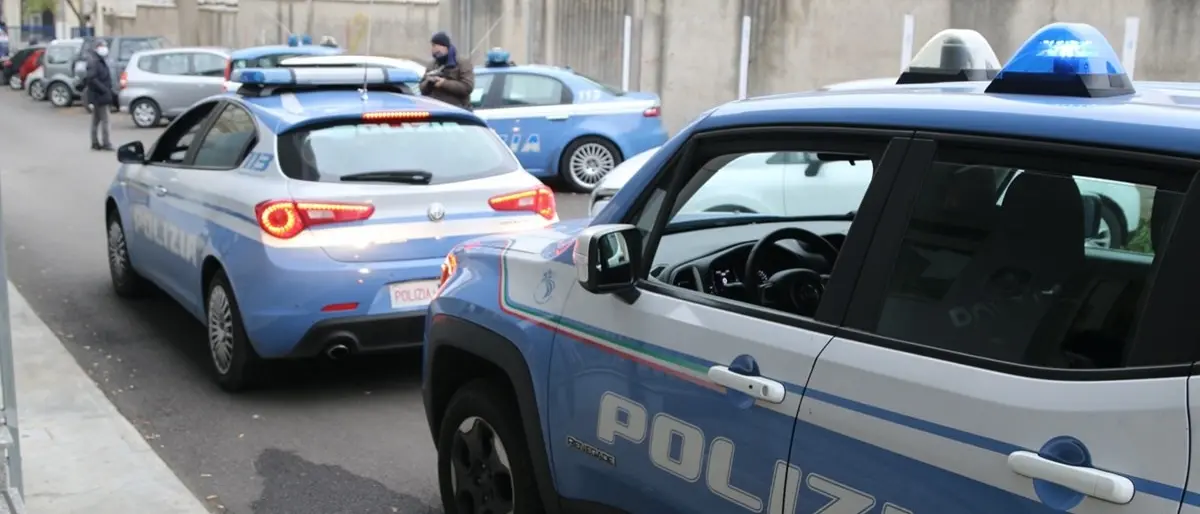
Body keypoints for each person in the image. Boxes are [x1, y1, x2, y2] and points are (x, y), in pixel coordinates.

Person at [420, 31, 474, 110]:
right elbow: (422, 89)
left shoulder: (462, 63)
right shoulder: (432, 64)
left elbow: (467, 87)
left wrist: (444, 83)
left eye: (435, 45)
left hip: (458, 110)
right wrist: (429, 82)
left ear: (444, 46)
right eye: (432, 46)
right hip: (436, 110)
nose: (433, 49)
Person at [85, 41, 115, 151]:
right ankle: (106, 143)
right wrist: (104, 90)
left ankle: (94, 142)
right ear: (97, 48)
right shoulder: (95, 62)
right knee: (105, 121)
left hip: (99, 95)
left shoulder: (99, 61)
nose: (104, 49)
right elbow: (91, 79)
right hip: (99, 96)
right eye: (102, 46)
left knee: (96, 121)